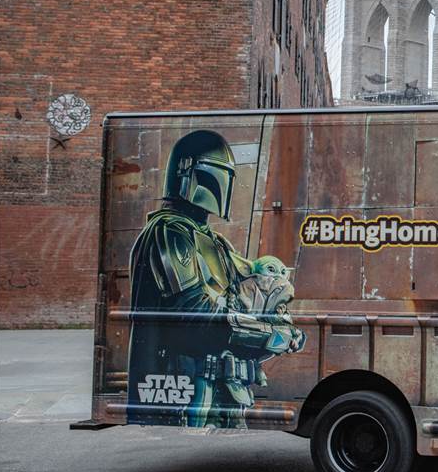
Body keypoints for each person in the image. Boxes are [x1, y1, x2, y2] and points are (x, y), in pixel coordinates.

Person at [126, 130, 305, 427]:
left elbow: (241, 303)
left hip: (225, 389)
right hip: (184, 390)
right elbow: (195, 314)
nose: (218, 186)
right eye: (213, 175)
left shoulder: (217, 244)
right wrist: (268, 334)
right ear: (187, 173)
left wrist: (278, 326)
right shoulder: (169, 232)